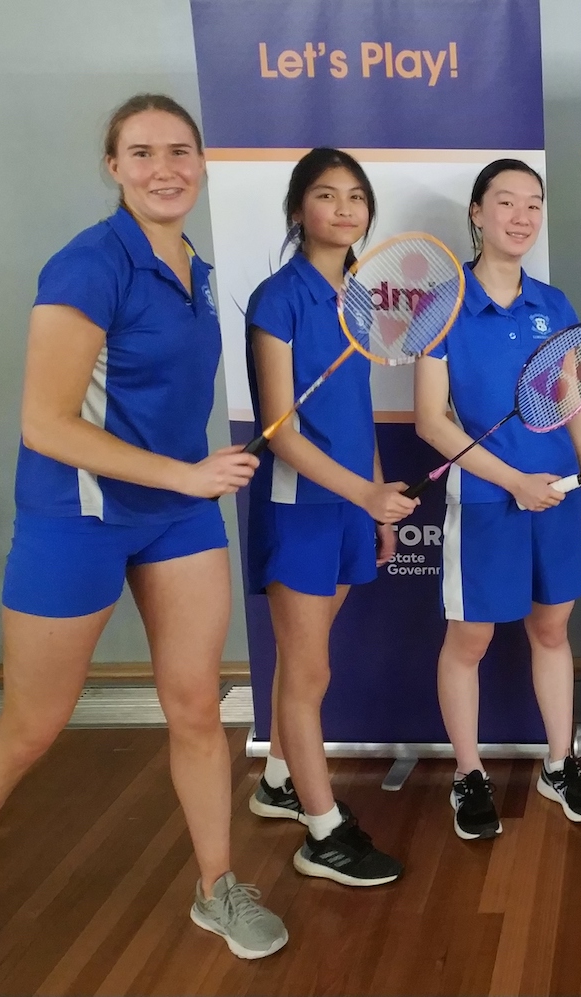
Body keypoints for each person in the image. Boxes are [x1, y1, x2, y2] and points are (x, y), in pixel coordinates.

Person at [0, 95, 286, 990]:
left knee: (198, 708)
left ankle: (217, 885)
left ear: (201, 163)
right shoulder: (87, 264)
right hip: (75, 511)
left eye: (181, 151)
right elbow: (44, 421)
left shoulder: (197, 267)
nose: (166, 167)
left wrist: (188, 478)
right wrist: (186, 474)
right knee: (31, 726)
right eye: (143, 152)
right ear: (113, 167)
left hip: (176, 512)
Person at [413, 159, 581, 840]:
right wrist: (512, 482)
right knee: (470, 639)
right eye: (506, 202)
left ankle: (561, 763)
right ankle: (468, 774)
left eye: (533, 204)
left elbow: (571, 402)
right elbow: (431, 420)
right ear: (476, 212)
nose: (522, 216)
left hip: (554, 496)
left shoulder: (553, 305)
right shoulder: (441, 307)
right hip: (489, 503)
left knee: (552, 631)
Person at [243, 148, 415, 885]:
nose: (344, 209)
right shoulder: (275, 298)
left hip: (348, 507)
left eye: (356, 196)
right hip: (301, 509)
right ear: (297, 210)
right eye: (325, 195)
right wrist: (364, 495)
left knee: (300, 660)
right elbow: (280, 429)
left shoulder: (363, 298)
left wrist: (374, 501)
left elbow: (355, 413)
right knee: (309, 671)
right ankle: (321, 832)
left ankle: (279, 779)